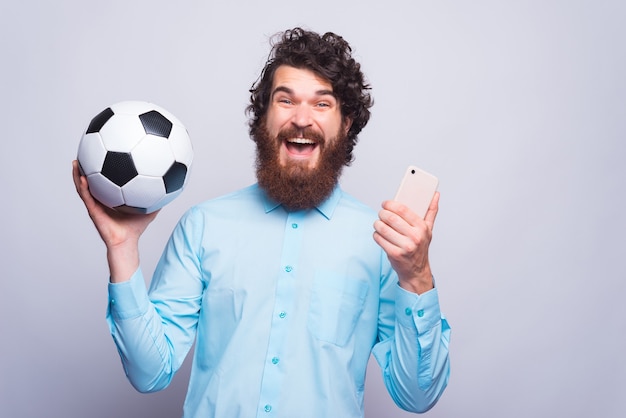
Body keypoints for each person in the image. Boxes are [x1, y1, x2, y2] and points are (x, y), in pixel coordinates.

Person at [72, 27, 450, 418]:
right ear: (263, 118)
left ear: (347, 123)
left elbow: (417, 396)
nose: (301, 119)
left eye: (322, 104)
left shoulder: (383, 244)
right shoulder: (204, 226)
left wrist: (417, 276)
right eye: (285, 100)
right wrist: (122, 249)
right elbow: (149, 372)